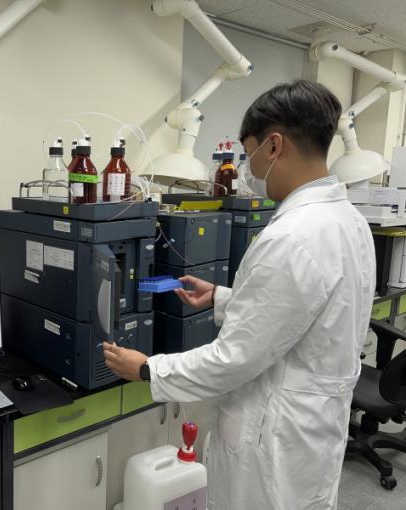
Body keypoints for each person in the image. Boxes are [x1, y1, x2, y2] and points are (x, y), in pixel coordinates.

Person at [103, 80, 376, 510]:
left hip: (274, 438)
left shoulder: (292, 236)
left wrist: (148, 369)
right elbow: (312, 312)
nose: (247, 168)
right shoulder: (348, 220)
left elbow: (233, 359)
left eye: (248, 154)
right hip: (313, 426)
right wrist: (222, 298)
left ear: (274, 146)